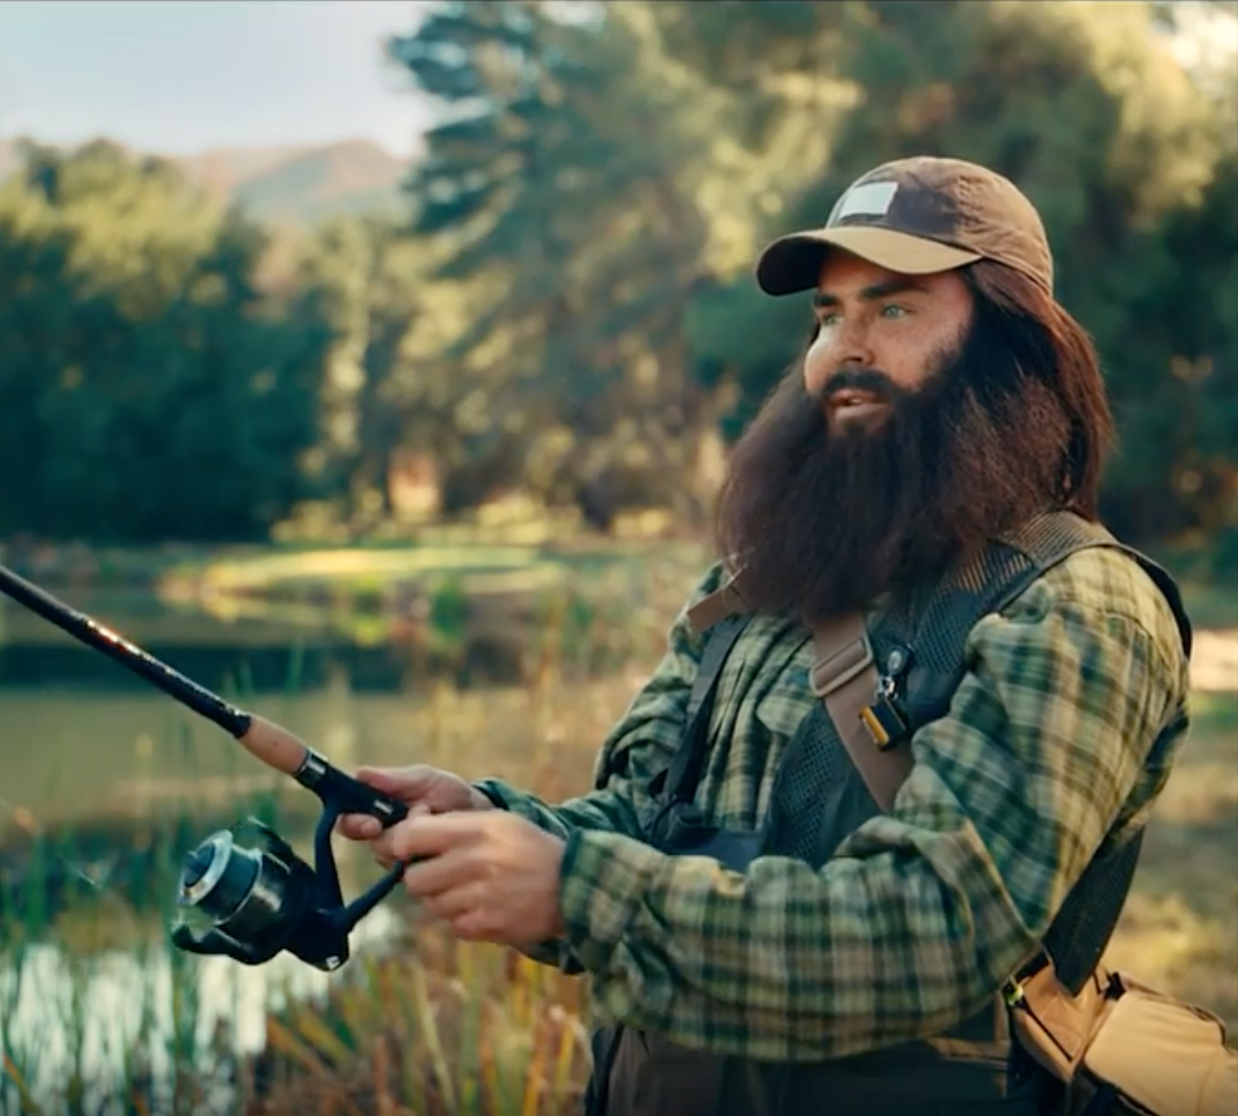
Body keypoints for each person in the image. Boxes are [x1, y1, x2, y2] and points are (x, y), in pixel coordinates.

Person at [336, 156, 1194, 1116]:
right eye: (827, 317)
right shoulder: (754, 588)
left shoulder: (1080, 609)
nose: (842, 349)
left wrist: (578, 890)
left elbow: (932, 934)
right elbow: (645, 826)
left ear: (1011, 345)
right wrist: (495, 828)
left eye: (894, 309)